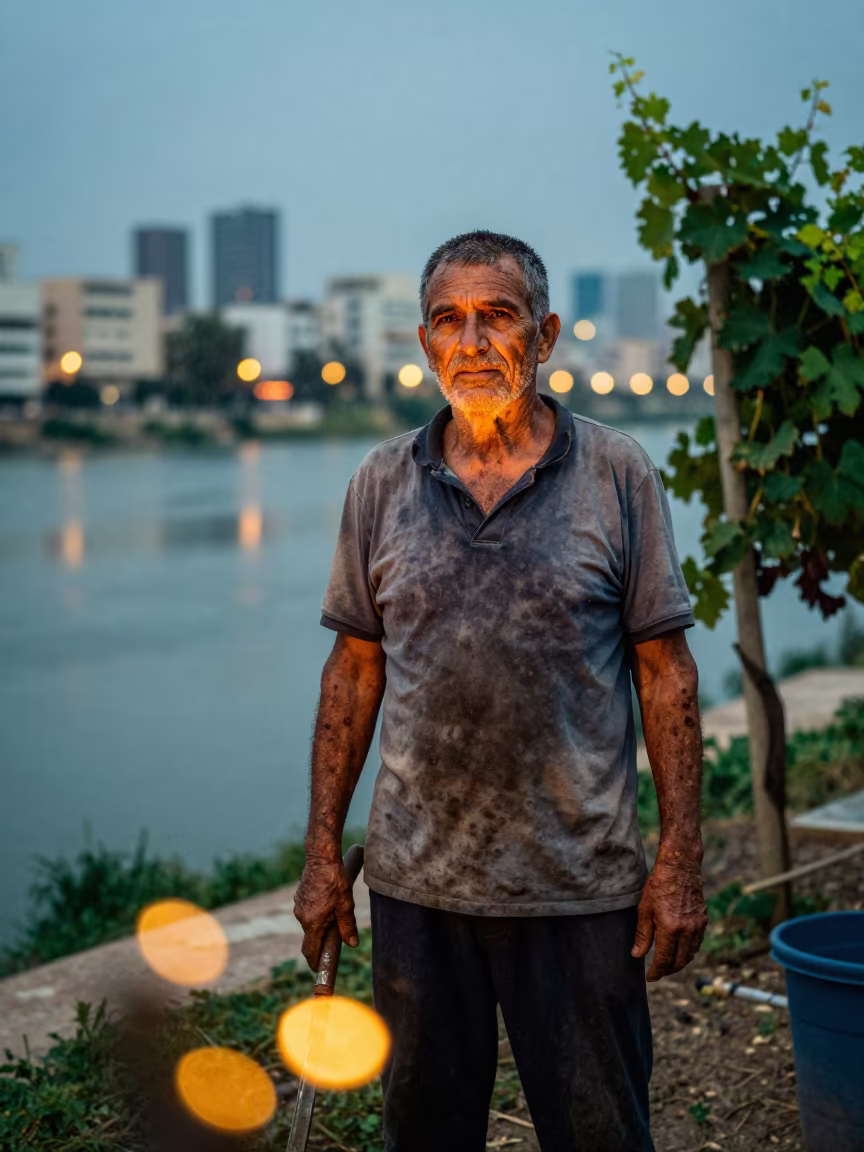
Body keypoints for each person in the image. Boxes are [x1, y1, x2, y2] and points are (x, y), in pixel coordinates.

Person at [294, 230, 708, 1152]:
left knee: (601, 1131)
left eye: (498, 317)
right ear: (424, 343)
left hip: (579, 888)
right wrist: (323, 850)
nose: (473, 343)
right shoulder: (382, 483)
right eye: (450, 321)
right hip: (417, 890)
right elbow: (354, 672)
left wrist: (679, 859)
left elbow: (665, 673)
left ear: (546, 334)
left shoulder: (616, 475)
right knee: (426, 1132)